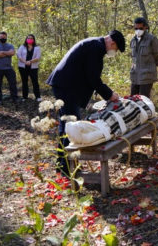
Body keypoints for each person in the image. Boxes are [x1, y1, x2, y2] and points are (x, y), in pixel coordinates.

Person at [46, 30, 125, 174]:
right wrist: (110, 95)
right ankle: (68, 167)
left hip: (66, 86)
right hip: (66, 87)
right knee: (72, 126)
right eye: (116, 49)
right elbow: (93, 78)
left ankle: (62, 164)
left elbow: (88, 75)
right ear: (113, 43)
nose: (114, 52)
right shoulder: (96, 48)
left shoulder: (95, 44)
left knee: (66, 125)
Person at [130, 17, 158, 98]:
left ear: (145, 27)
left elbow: (157, 54)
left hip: (147, 75)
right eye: (136, 28)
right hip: (135, 75)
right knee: (132, 99)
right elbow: (133, 57)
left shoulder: (151, 39)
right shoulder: (133, 40)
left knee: (144, 100)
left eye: (140, 28)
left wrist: (156, 63)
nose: (138, 30)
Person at [0, 31, 18, 105]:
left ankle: (14, 98)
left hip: (8, 68)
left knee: (13, 83)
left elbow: (12, 53)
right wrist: (7, 53)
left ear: (6, 37)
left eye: (4, 37)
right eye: (1, 37)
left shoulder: (10, 45)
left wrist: (2, 52)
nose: (2, 38)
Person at [16, 34, 41, 102]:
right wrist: (25, 62)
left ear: (33, 39)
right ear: (26, 39)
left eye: (31, 38)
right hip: (22, 67)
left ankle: (38, 96)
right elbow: (18, 55)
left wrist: (30, 61)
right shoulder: (22, 47)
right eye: (28, 38)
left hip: (33, 67)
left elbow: (38, 57)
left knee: (35, 82)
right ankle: (24, 97)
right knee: (24, 82)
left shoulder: (37, 47)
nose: (30, 39)